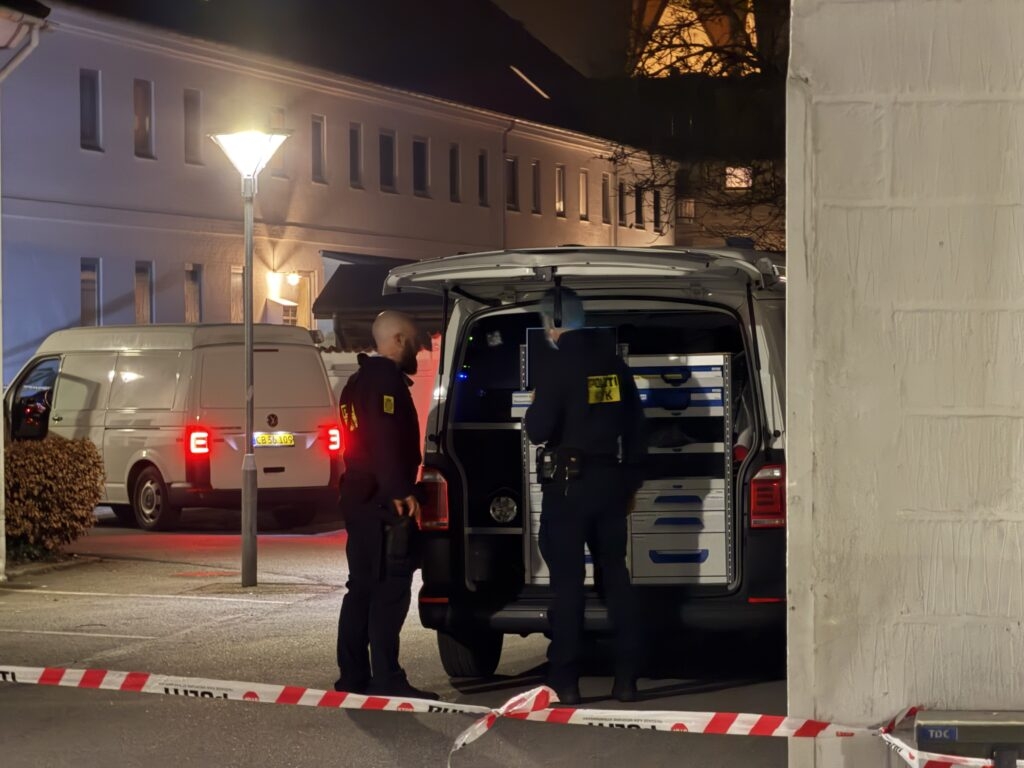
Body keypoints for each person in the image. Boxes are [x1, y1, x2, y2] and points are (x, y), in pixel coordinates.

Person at [525, 286, 647, 705]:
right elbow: (636, 430)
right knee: (615, 577)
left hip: (568, 487)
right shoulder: (614, 367)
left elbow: (538, 430)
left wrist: (537, 403)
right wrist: (630, 484)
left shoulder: (556, 366)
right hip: (609, 483)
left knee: (568, 585)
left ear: (555, 322)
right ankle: (627, 679)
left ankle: (566, 681)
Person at [335, 310, 438, 699]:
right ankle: (387, 678)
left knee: (360, 588)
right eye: (412, 343)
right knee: (388, 592)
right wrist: (400, 491)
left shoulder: (356, 381)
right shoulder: (385, 383)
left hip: (359, 499)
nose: (416, 352)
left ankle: (353, 677)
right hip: (383, 504)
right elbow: (382, 439)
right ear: (397, 340)